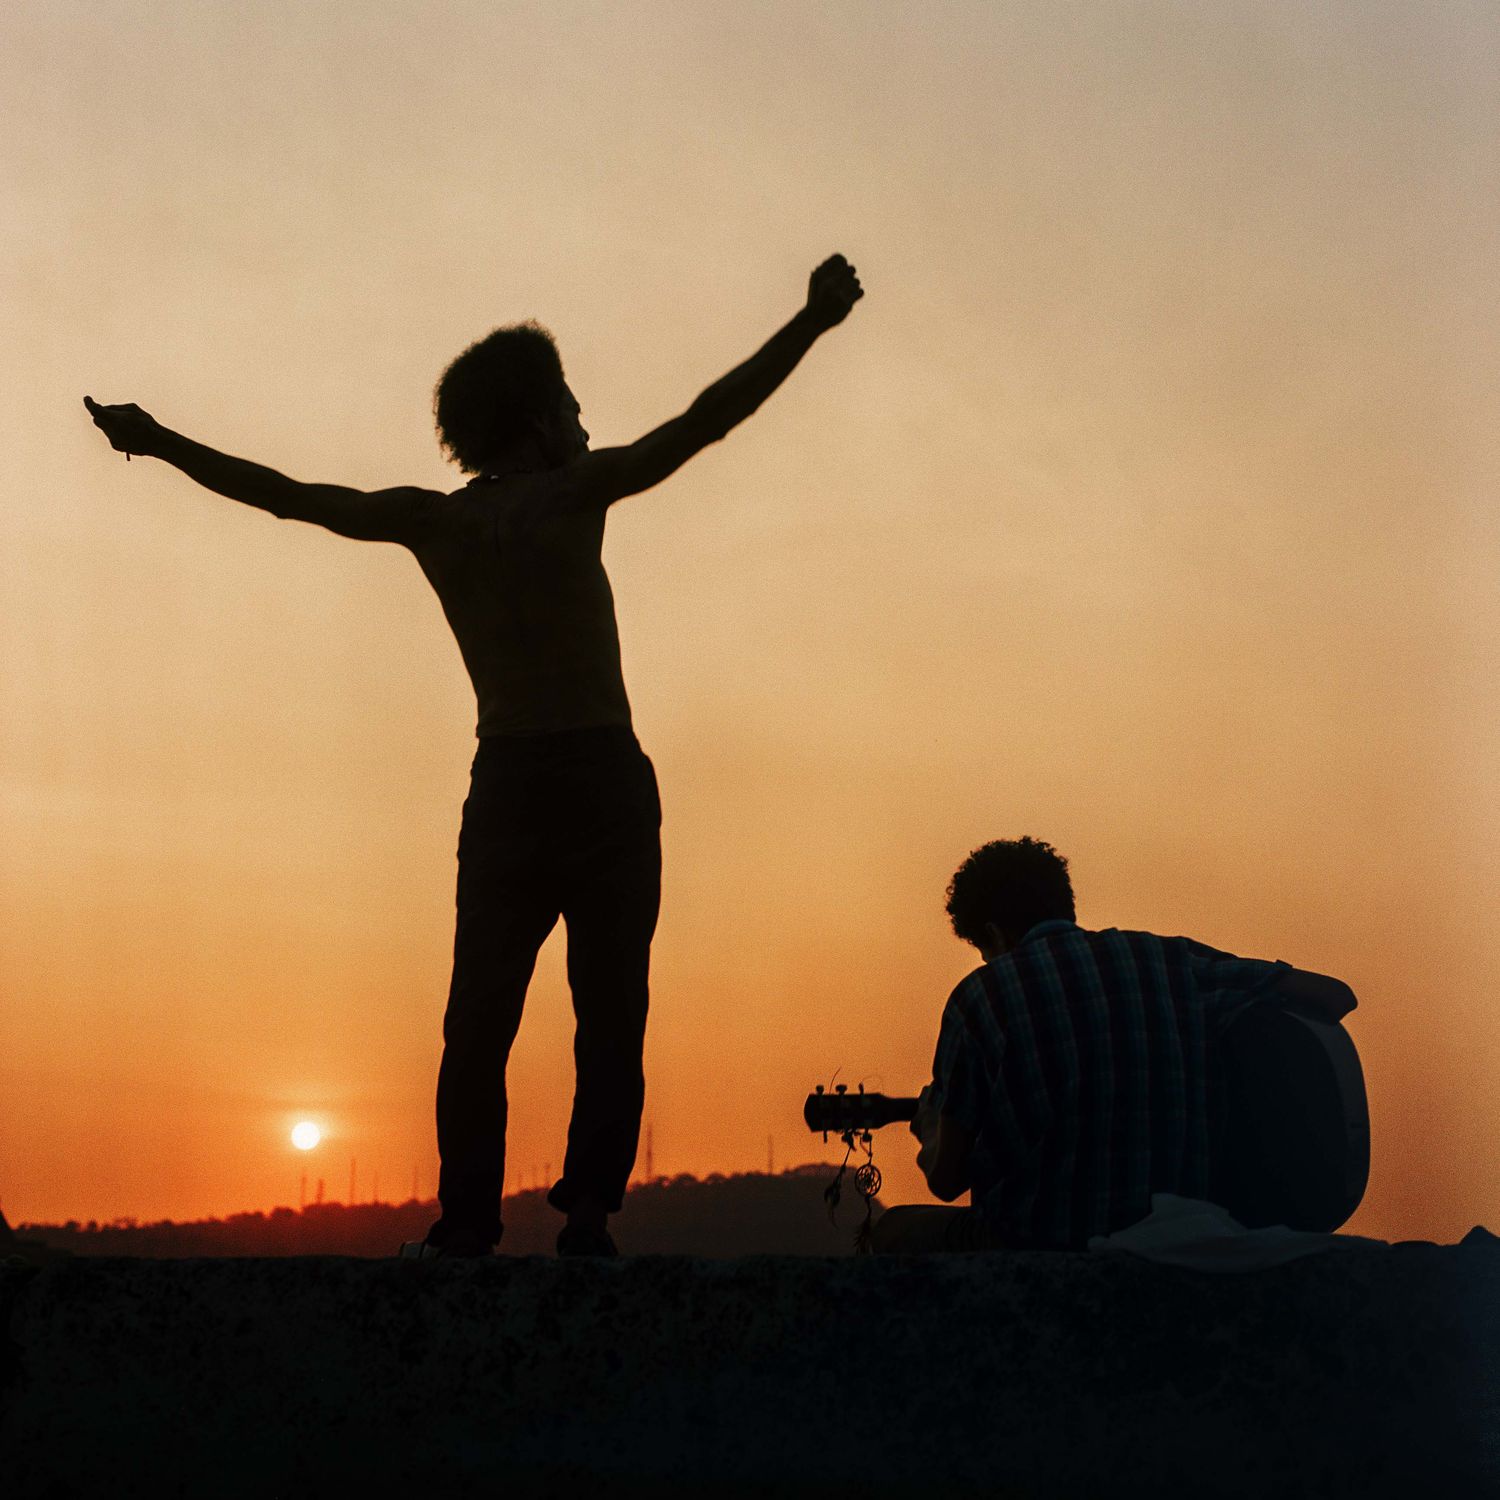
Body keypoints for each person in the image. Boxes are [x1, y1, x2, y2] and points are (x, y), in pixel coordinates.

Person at [84, 254, 865, 1258]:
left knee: (479, 1024)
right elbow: (707, 420)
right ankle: (585, 1214)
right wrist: (809, 325)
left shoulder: (434, 521)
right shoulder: (576, 489)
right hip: (597, 779)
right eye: (573, 405)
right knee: (609, 1010)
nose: (585, 421)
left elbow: (283, 495)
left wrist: (157, 442)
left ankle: (465, 1222)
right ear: (540, 420)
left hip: (509, 788)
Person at [871, 836, 1363, 1253]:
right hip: (1179, 1235)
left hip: (1040, 1243)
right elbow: (1335, 996)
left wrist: (933, 1127)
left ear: (994, 934)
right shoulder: (1173, 962)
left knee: (890, 1233)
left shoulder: (979, 998)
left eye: (984, 951)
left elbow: (947, 1181)